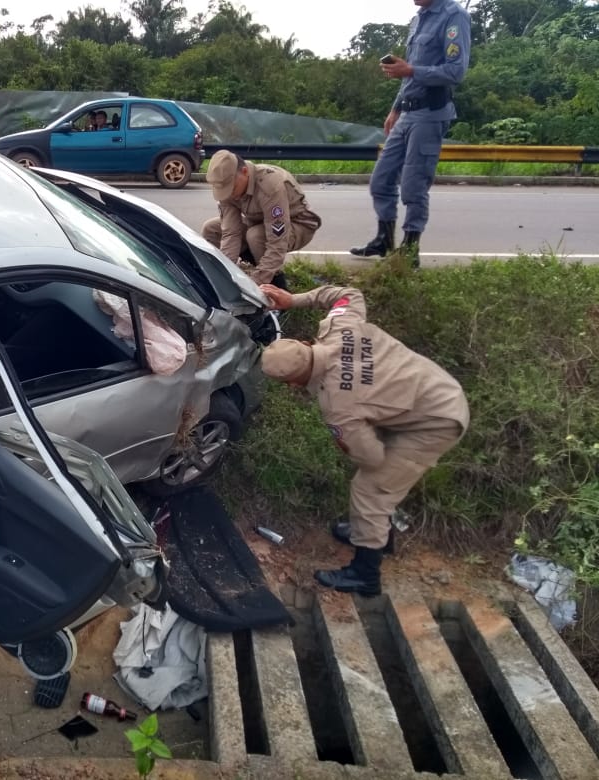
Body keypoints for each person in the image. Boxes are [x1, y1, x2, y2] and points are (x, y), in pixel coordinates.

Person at [256, 282, 469, 597]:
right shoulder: (340, 326)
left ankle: (365, 575)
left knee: (370, 489)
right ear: (302, 342)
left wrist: (356, 441)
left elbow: (372, 458)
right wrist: (294, 300)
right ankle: (373, 532)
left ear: (292, 383)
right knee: (382, 481)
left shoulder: (339, 408)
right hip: (433, 389)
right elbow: (348, 294)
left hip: (435, 422)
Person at [350, 0, 471, 262]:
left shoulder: (454, 16)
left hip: (430, 113)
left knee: (414, 185)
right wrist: (395, 108)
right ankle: (384, 240)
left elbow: (456, 71)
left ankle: (410, 248)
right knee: (381, 180)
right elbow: (408, 74)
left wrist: (411, 70)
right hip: (407, 112)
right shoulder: (419, 18)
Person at [202, 150, 322, 288]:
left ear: (245, 171)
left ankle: (276, 284)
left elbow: (277, 240)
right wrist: (225, 277)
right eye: (224, 190)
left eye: (232, 187)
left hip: (297, 224)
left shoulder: (269, 186)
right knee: (211, 229)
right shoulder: (226, 189)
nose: (229, 194)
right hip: (258, 222)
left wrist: (255, 283)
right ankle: (254, 261)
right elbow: (231, 233)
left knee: (255, 236)